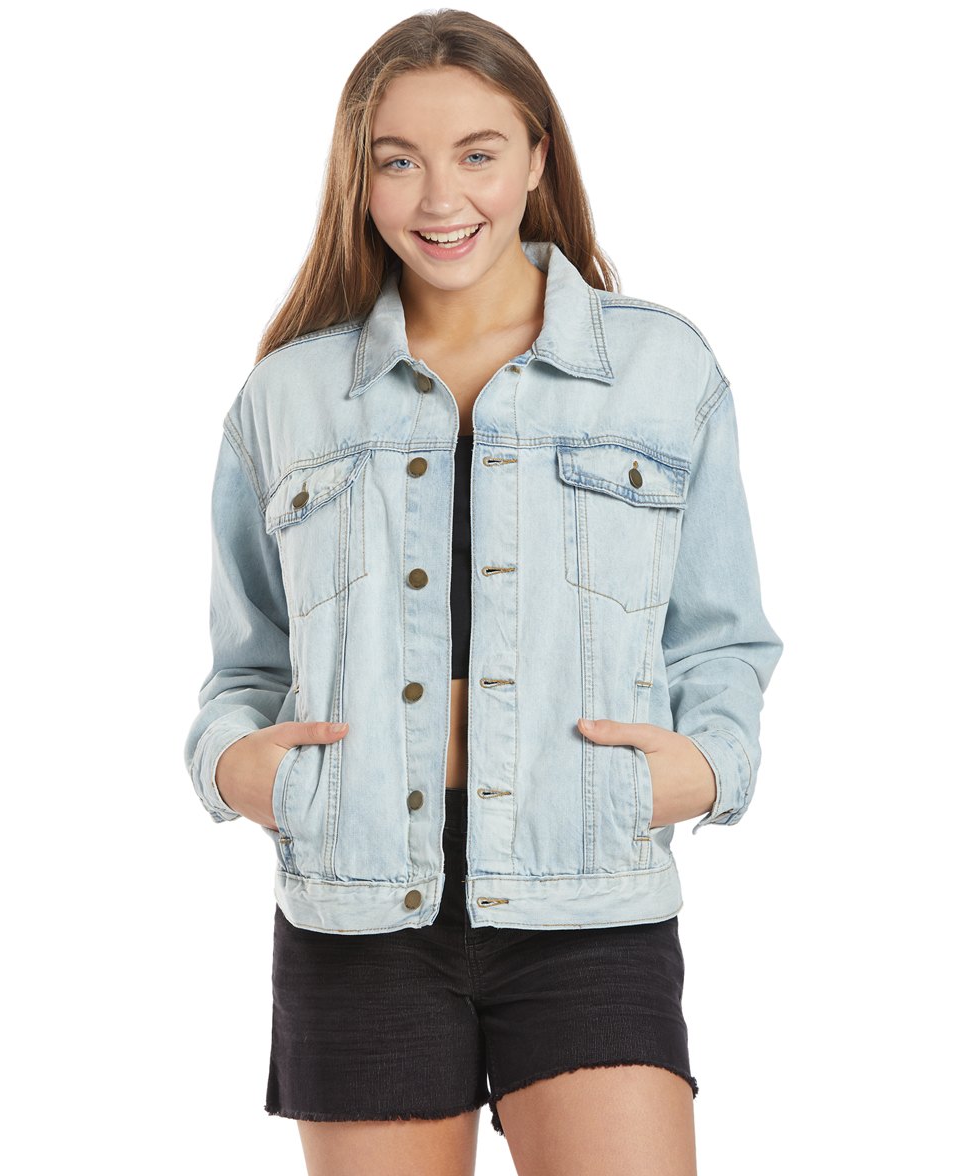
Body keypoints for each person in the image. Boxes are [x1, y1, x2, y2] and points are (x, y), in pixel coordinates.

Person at [183, 9, 783, 1174]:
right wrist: (230, 764)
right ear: (359, 177)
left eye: (477, 153)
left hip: (590, 898)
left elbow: (722, 639)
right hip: (357, 905)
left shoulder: (661, 371)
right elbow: (247, 664)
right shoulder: (287, 397)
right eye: (398, 160)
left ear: (538, 158)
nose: (439, 196)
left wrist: (711, 768)